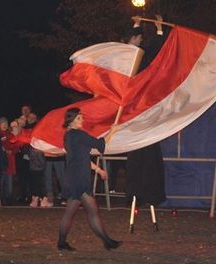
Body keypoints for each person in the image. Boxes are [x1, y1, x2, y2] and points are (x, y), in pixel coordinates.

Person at [58, 108, 122, 251]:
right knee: (92, 210)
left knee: (71, 212)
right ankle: (107, 242)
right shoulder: (79, 135)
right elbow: (100, 144)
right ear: (72, 120)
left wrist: (98, 170)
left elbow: (82, 158)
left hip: (74, 176)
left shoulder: (68, 136)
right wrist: (113, 130)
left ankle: (61, 243)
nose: (82, 120)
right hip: (79, 178)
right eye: (79, 118)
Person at [124, 16, 167, 208]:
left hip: (142, 110)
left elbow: (153, 55)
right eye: (138, 37)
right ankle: (137, 194)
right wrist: (146, 27)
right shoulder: (128, 57)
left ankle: (147, 193)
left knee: (147, 154)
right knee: (139, 154)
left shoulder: (138, 56)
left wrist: (146, 27)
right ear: (132, 39)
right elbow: (148, 52)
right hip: (135, 110)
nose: (141, 40)